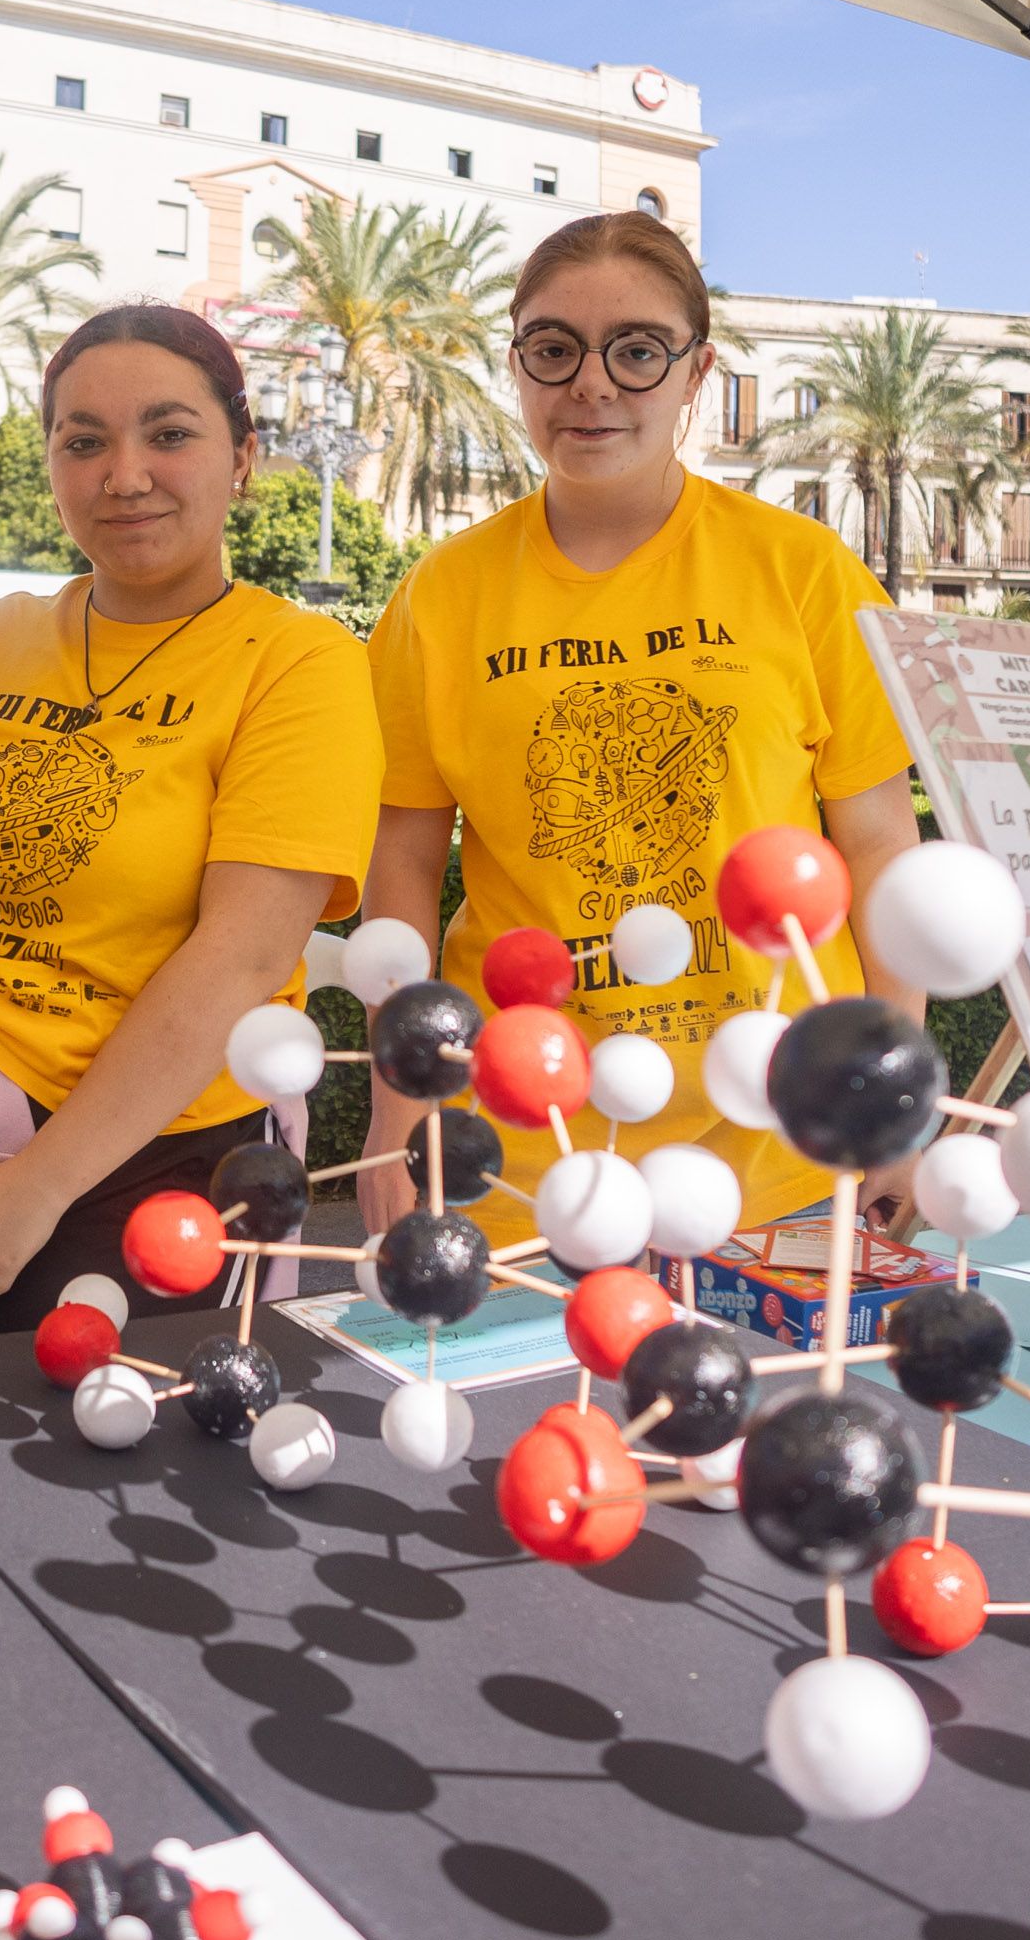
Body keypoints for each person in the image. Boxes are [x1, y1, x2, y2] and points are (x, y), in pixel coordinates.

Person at [359, 212, 925, 1246]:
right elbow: (399, 867)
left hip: (789, 1142)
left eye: (635, 351)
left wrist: (898, 1093)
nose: (591, 385)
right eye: (553, 349)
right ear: (517, 364)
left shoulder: (802, 573)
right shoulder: (436, 600)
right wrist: (401, 1102)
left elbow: (881, 843)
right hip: (534, 1158)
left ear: (694, 371)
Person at [0, 306, 374, 1337]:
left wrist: (37, 1187)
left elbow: (241, 955)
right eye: (83, 441)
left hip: (148, 1180)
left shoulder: (299, 665)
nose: (123, 473)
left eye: (169, 434)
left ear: (244, 457)